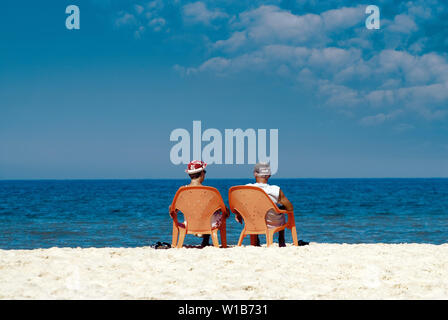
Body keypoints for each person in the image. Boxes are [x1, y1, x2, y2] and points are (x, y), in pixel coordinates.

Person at [234, 162, 294, 247]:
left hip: (253, 223)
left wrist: (238, 214)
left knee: (253, 210)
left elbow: (238, 205)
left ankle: (255, 241)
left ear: (255, 174)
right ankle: (281, 240)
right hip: (272, 223)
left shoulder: (247, 188)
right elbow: (290, 207)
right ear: (269, 175)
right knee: (282, 210)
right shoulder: (275, 190)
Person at [173, 160, 226, 247]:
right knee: (213, 212)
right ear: (202, 173)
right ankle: (206, 240)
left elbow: (173, 209)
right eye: (204, 172)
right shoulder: (209, 191)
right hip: (209, 225)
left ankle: (177, 243)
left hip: (188, 224)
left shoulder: (182, 191)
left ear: (189, 174)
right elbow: (222, 208)